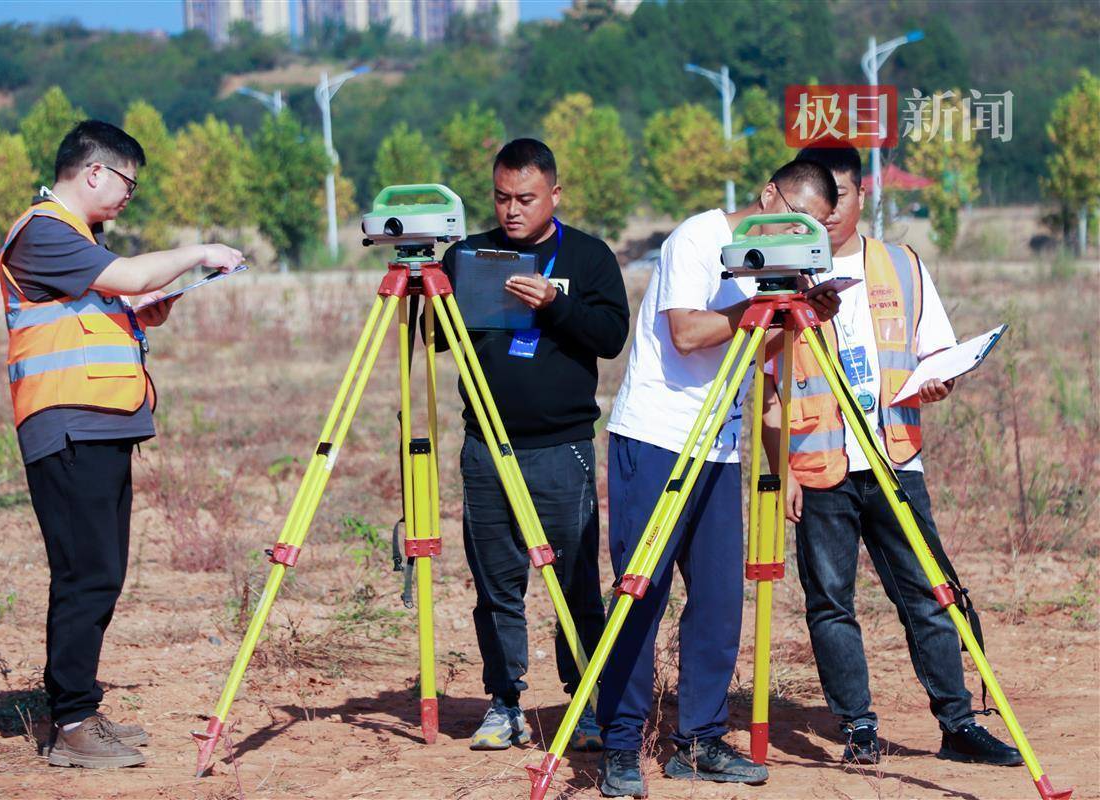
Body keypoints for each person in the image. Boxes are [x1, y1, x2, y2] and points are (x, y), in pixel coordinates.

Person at [762, 142, 1022, 768]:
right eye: (813, 201)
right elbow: (765, 381)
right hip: (819, 464)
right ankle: (858, 728)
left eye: (838, 198)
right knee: (830, 601)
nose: (824, 214)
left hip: (894, 460)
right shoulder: (777, 274)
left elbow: (935, 353)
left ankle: (957, 722)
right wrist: (780, 471)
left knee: (929, 594)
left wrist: (940, 380)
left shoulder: (901, 266)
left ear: (860, 194)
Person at [0, 120, 243, 768]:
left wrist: (140, 307)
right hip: (68, 424)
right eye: (127, 186)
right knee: (86, 573)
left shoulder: (75, 238)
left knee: (101, 572)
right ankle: (72, 722)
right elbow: (127, 273)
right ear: (95, 172)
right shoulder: (44, 230)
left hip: (100, 421)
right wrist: (200, 252)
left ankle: (80, 709)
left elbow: (108, 299)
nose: (128, 199)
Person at [597, 160, 842, 798]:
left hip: (719, 446)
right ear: (768, 196)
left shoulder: (774, 270)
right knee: (640, 593)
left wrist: (794, 317)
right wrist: (762, 309)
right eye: (795, 219)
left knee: (718, 600)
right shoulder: (698, 240)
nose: (800, 235)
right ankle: (620, 745)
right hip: (657, 437)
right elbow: (686, 333)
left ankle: (700, 739)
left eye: (813, 229)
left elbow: (759, 367)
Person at [430, 138, 629, 752]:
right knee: (496, 583)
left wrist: (557, 304)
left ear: (554, 195)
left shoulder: (589, 257)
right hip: (486, 446)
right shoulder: (470, 254)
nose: (512, 210)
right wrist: (431, 292)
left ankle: (589, 698)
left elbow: (611, 336)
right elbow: (436, 338)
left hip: (560, 447)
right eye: (501, 197)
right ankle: (505, 700)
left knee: (574, 581)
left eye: (526, 198)